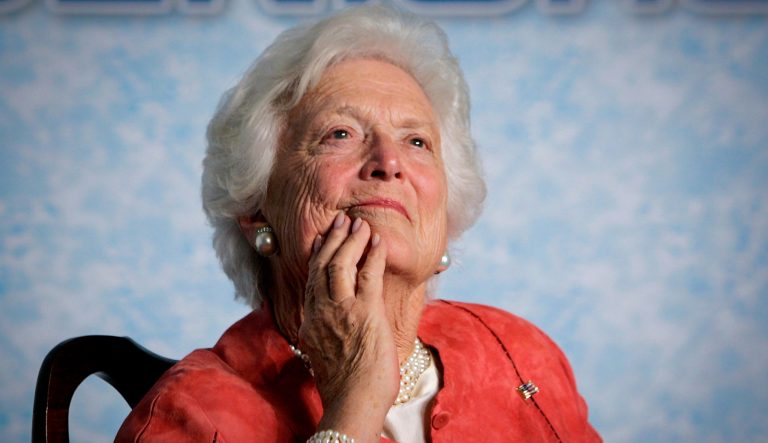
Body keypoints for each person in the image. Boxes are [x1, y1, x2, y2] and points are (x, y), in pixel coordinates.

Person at [116, 5, 601, 443]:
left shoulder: (519, 350)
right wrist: (356, 402)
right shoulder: (192, 416)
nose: (389, 162)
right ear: (256, 209)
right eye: (340, 134)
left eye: (416, 142)